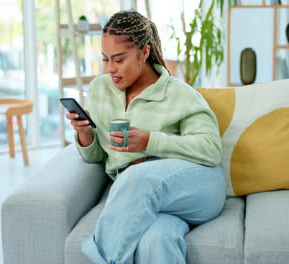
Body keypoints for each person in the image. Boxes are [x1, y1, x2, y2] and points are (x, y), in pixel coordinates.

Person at [66, 10, 226, 264]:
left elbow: (211, 149)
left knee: (137, 177)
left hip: (197, 187)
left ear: (144, 53)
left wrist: (151, 141)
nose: (111, 69)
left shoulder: (180, 94)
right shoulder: (100, 89)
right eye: (106, 59)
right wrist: (85, 132)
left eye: (119, 59)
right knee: (156, 239)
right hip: (136, 193)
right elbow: (97, 156)